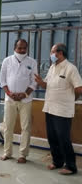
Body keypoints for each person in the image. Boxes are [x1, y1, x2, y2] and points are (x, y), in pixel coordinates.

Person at [35, 43, 82, 175]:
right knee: (52, 137)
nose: (51, 55)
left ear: (60, 53)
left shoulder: (70, 68)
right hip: (49, 108)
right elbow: (47, 86)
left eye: (52, 52)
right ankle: (57, 161)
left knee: (63, 138)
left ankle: (71, 166)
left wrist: (72, 99)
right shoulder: (52, 67)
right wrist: (40, 82)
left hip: (63, 110)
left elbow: (79, 88)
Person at [0, 39, 37, 163]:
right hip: (10, 100)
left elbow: (34, 81)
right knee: (8, 126)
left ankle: (23, 154)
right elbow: (3, 80)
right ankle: (7, 152)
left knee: (25, 127)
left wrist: (25, 94)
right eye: (20, 48)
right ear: (14, 48)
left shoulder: (32, 62)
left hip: (26, 100)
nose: (22, 50)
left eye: (24, 48)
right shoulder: (7, 61)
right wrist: (10, 94)